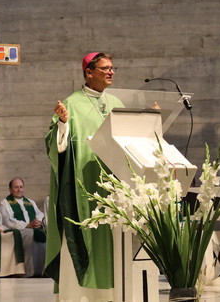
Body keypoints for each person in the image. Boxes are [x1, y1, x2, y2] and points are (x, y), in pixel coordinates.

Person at [45, 52, 124, 301]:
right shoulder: (70, 104)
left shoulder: (118, 104)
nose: (111, 72)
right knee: (82, 237)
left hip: (115, 190)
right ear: (88, 73)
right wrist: (63, 124)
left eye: (112, 68)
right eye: (105, 68)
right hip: (83, 189)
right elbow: (53, 145)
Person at [0, 177, 46, 277]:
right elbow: (8, 220)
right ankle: (30, 271)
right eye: (16, 187)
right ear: (10, 189)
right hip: (17, 231)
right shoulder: (5, 203)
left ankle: (42, 270)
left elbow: (39, 214)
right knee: (31, 233)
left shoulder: (30, 202)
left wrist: (38, 222)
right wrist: (27, 225)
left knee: (43, 232)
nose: (19, 190)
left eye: (21, 187)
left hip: (33, 228)